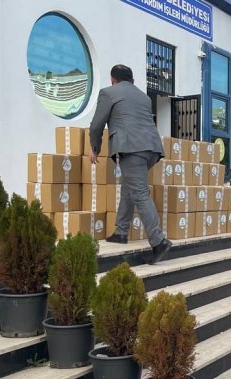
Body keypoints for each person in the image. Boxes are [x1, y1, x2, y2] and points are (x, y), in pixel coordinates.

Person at [88, 64, 171, 264]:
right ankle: (121, 232)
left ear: (112, 80)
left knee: (140, 192)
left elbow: (96, 125)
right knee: (130, 186)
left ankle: (159, 241)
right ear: (132, 81)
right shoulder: (144, 97)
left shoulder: (108, 93)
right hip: (152, 149)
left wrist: (95, 148)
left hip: (132, 148)